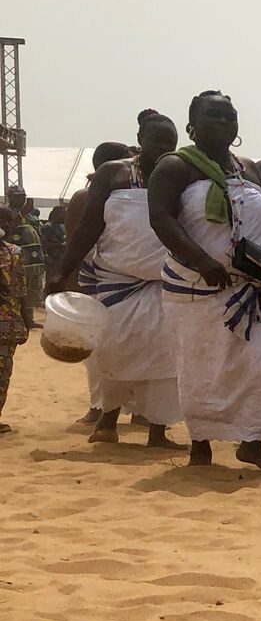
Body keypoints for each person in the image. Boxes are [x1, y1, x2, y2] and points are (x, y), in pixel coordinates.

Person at [148, 91, 261, 474]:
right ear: (192, 125)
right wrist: (202, 261)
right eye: (214, 115)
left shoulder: (247, 168)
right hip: (198, 289)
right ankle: (200, 445)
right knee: (204, 366)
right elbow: (161, 218)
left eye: (230, 116)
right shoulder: (175, 166)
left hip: (255, 290)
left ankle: (251, 442)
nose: (224, 122)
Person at [48, 111, 186, 449]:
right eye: (158, 140)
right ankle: (108, 423)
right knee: (114, 352)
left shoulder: (179, 176)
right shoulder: (113, 173)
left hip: (163, 283)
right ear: (141, 140)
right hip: (116, 282)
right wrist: (63, 269)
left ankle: (158, 431)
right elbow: (89, 227)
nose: (165, 147)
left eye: (171, 142)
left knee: (165, 358)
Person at [61, 142, 133, 428]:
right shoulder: (89, 197)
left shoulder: (116, 195)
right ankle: (98, 406)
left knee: (126, 345)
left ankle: (120, 407)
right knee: (100, 349)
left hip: (111, 278)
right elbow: (78, 241)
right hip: (96, 280)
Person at [0, 208, 26, 435]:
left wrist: (25, 322)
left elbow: (20, 291)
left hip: (7, 324)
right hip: (8, 323)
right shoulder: (14, 252)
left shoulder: (15, 252)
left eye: (8, 221)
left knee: (2, 372)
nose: (7, 225)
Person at [5, 185, 43, 327]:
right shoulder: (6, 212)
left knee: (33, 289)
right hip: (19, 258)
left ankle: (30, 319)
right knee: (20, 289)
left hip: (35, 259)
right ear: (10, 197)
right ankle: (19, 318)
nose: (21, 198)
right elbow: (7, 230)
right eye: (17, 196)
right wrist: (21, 214)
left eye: (23, 196)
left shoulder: (31, 214)